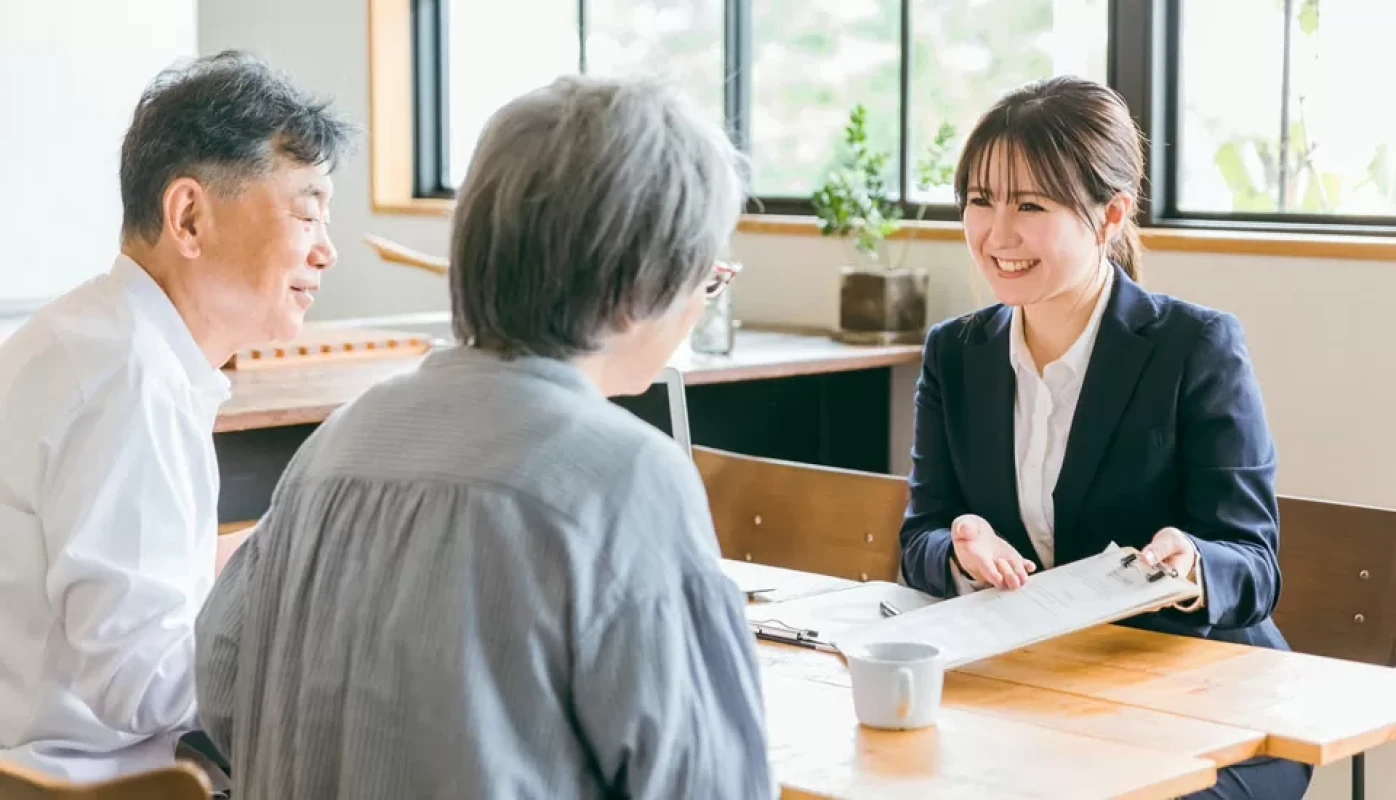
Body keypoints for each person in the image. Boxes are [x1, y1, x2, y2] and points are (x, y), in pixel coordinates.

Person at [194, 75, 771, 799]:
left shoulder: (339, 442)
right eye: (706, 279)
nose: (699, 304)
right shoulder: (624, 478)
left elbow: (221, 685)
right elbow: (711, 785)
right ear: (644, 283)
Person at [897, 76, 1310, 799]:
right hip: (1034, 697)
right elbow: (920, 536)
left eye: (1031, 204)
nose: (998, 235)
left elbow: (1252, 565)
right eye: (981, 201)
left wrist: (1190, 568)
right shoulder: (955, 353)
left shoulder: (1195, 346)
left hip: (1208, 711)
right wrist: (960, 547)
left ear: (1110, 215)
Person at [0, 50, 352, 781]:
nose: (328, 250)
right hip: (85, 785)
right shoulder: (128, 379)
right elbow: (142, 680)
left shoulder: (95, 339)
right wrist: (324, 646)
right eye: (307, 211)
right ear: (189, 215)